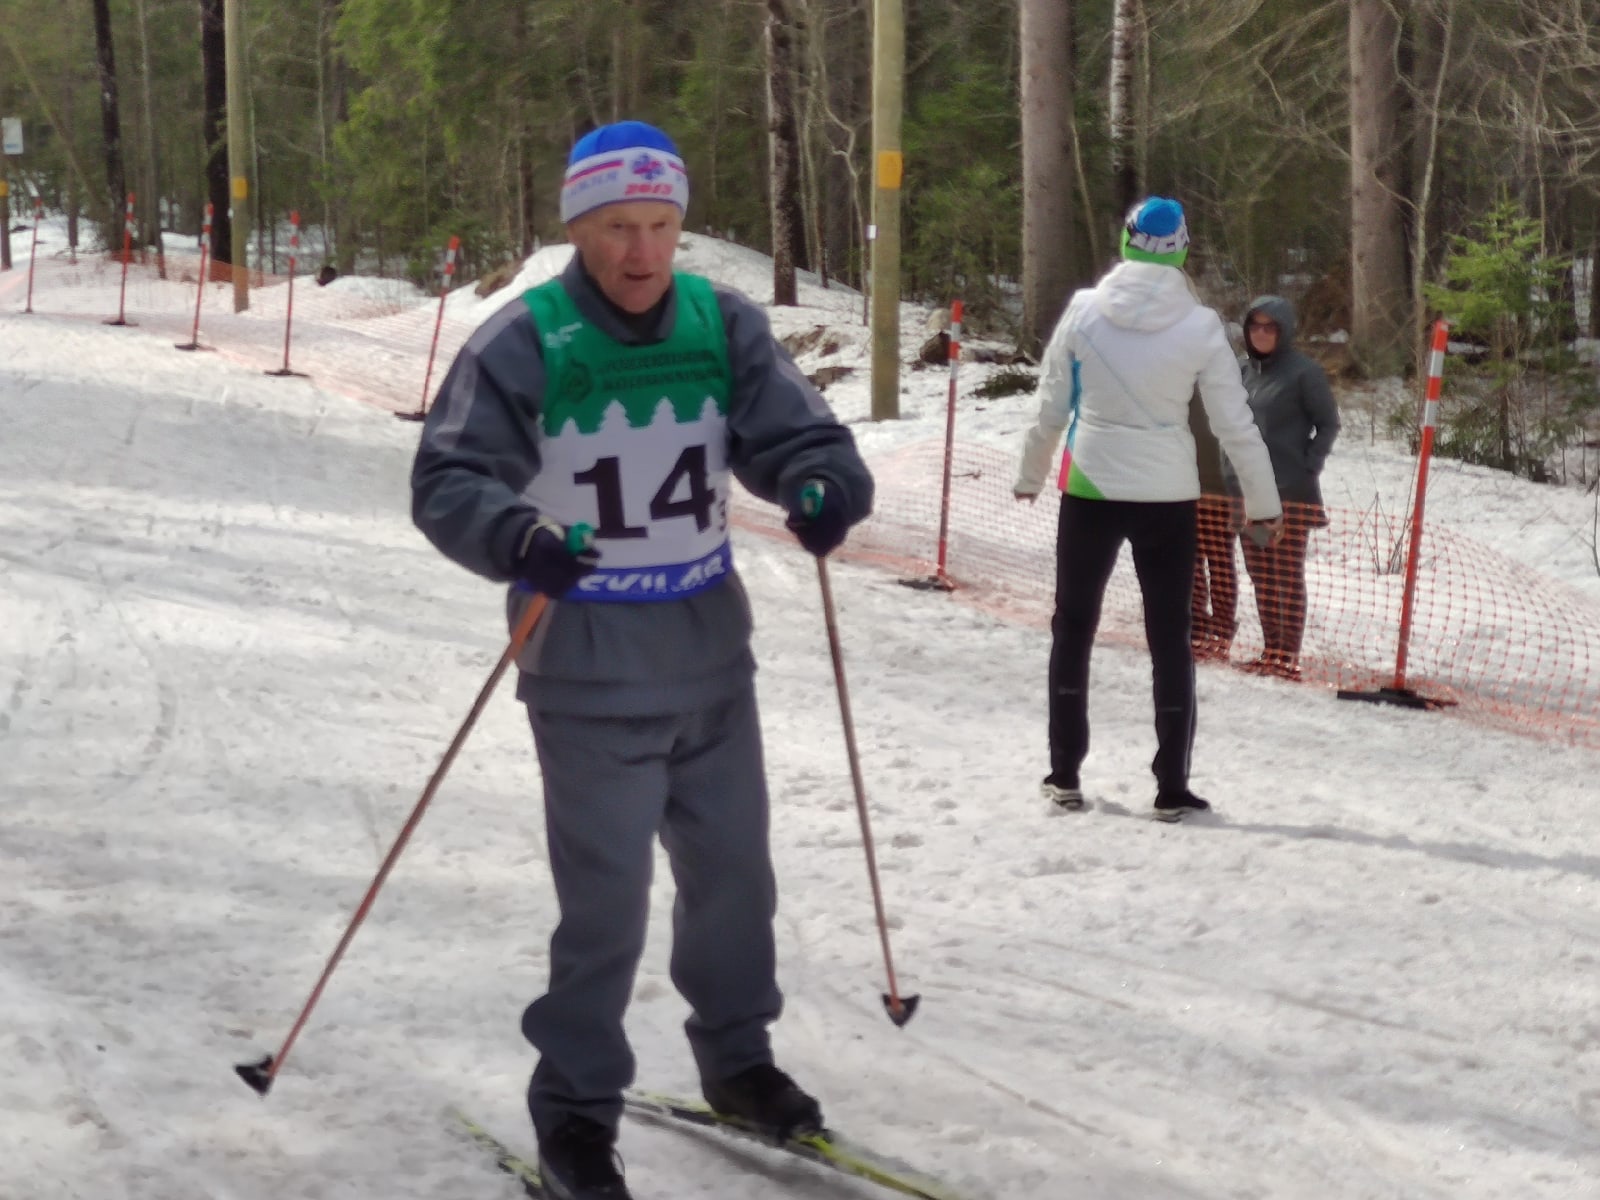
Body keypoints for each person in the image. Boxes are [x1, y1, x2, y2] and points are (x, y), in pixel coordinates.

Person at [411, 120, 874, 1200]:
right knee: (606, 908)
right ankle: (574, 1115)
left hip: (708, 654)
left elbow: (796, 435)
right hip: (583, 670)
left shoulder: (722, 323)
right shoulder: (524, 339)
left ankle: (738, 1063)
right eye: (618, 227)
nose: (641, 252)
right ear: (578, 228)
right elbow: (448, 476)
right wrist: (515, 535)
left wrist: (820, 487)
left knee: (733, 883)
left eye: (661, 226)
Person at [1013, 197, 1282, 823]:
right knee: (1170, 637)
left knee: (1073, 627)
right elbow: (1233, 423)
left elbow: (1051, 404)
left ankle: (1063, 774)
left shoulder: (1083, 312)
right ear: (1182, 248)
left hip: (1090, 487)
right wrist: (1263, 504)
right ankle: (1171, 786)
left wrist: (1029, 473)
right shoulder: (1200, 326)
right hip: (1168, 496)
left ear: (1126, 241)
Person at [1235, 296, 1341, 681]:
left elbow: (1328, 424)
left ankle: (1287, 657)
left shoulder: (1304, 372)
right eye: (1255, 326)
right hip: (1248, 491)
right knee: (1260, 571)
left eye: (1270, 326)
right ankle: (1270, 650)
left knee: (1285, 572)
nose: (1261, 333)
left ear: (1284, 330)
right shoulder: (1241, 371)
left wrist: (1307, 464)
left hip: (1290, 491)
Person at [1188, 393, 1240, 662]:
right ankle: (1195, 624)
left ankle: (1222, 628)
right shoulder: (1181, 381)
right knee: (1191, 560)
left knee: (1220, 560)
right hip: (1185, 486)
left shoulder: (1229, 381)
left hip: (1221, 490)